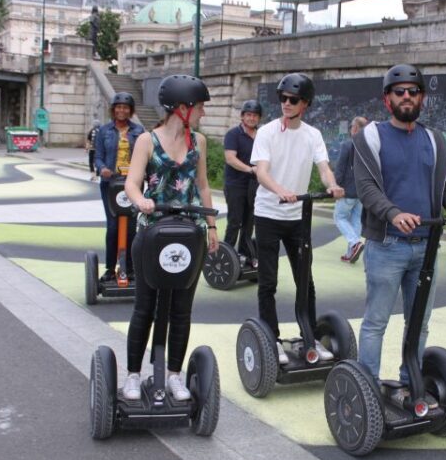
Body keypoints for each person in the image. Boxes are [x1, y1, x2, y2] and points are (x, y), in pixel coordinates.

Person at [352, 64, 446, 403]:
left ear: (422, 98)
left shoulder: (435, 140)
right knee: (376, 322)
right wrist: (394, 214)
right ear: (387, 99)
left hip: (426, 246)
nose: (406, 97)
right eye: (399, 92)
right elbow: (366, 189)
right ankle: (367, 391)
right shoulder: (370, 136)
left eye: (413, 92)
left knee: (419, 323)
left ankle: (410, 385)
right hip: (387, 245)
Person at [122, 74, 219, 401]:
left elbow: (203, 185)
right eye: (200, 106)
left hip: (190, 234)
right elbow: (132, 183)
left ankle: (174, 375)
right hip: (152, 232)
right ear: (182, 107)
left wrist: (212, 227)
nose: (203, 112)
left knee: (181, 309)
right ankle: (133, 375)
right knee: (145, 307)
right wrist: (140, 200)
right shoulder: (146, 141)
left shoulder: (199, 142)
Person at [250, 73, 344, 365]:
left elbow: (324, 168)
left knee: (305, 280)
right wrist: (280, 190)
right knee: (268, 282)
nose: (286, 104)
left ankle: (309, 336)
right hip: (268, 214)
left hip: (297, 218)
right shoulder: (266, 132)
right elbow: (261, 171)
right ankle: (273, 339)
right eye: (283, 98)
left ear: (305, 104)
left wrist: (332, 185)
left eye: (293, 100)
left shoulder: (312, 135)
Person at [94, 92, 143, 282]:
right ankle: (110, 269)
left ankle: (129, 268)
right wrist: (102, 169)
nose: (121, 110)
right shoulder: (104, 131)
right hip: (111, 184)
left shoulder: (138, 131)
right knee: (113, 227)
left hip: (133, 183)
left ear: (130, 110)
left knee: (131, 227)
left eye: (125, 107)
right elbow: (98, 156)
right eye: (118, 107)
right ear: (113, 109)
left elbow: (145, 155)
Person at [222, 99, 262, 265]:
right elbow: (230, 158)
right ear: (242, 116)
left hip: (253, 185)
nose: (252, 118)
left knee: (249, 222)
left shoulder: (262, 136)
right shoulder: (233, 134)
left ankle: (244, 255)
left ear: (259, 118)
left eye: (255, 116)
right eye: (249, 115)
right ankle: (226, 256)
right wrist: (249, 169)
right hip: (235, 184)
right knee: (235, 221)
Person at [334, 116, 368, 263]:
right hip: (363, 191)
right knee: (356, 221)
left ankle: (355, 243)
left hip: (347, 190)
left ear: (354, 128)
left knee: (339, 217)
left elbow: (340, 169)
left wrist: (336, 186)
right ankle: (350, 254)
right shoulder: (369, 147)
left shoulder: (347, 145)